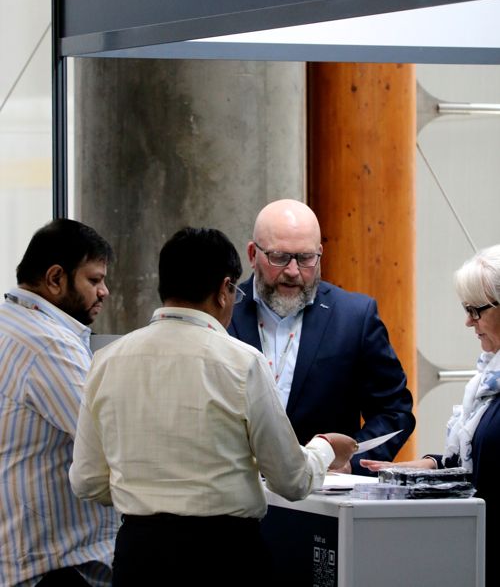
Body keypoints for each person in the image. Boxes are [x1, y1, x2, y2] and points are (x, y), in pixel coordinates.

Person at [69, 227, 357, 587]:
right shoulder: (241, 362)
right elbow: (292, 480)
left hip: (138, 556)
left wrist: (146, 495)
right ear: (224, 290)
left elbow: (87, 481)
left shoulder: (107, 361)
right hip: (223, 556)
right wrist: (325, 448)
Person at [228, 199, 415, 474]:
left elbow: (394, 411)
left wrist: (351, 463)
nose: (293, 271)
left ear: (319, 254)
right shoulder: (223, 312)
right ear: (252, 254)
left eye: (306, 258)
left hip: (324, 492)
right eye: (279, 257)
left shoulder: (354, 317)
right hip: (237, 489)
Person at [361, 244, 500, 586]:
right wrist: (417, 468)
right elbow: (472, 463)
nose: (468, 321)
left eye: (475, 310)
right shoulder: (487, 377)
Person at [0, 219, 119, 587]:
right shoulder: (49, 344)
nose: (105, 292)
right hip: (54, 568)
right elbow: (112, 440)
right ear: (55, 279)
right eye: (94, 280)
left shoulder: (9, 324)